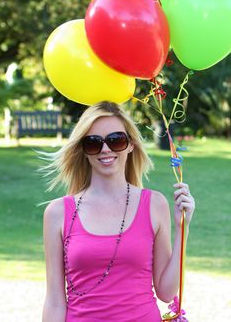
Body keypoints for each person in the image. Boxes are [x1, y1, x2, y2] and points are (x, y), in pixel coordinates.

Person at [42, 101, 195, 322]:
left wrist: (183, 228)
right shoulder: (58, 213)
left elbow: (166, 291)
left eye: (116, 140)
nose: (106, 149)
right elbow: (55, 301)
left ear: (130, 145)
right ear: (83, 150)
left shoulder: (154, 205)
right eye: (93, 143)